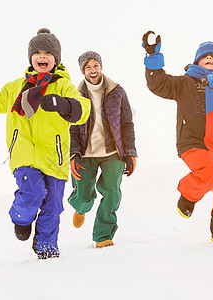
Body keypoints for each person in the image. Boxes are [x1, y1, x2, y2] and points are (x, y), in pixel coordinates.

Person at [0, 28, 90, 259]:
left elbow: (83, 110)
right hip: (24, 153)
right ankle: (22, 218)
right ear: (31, 58)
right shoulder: (17, 87)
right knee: (32, 190)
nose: (42, 56)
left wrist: (63, 105)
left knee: (53, 209)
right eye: (38, 52)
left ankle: (47, 251)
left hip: (55, 157)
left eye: (48, 53)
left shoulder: (63, 86)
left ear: (56, 59)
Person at [142, 31, 213, 244]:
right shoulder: (185, 83)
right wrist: (153, 55)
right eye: (204, 56)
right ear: (197, 61)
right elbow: (159, 84)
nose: (209, 58)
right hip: (193, 143)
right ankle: (188, 194)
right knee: (210, 172)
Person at [68, 51, 137, 248]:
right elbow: (70, 128)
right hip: (85, 153)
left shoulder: (117, 91)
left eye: (95, 65)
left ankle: (103, 236)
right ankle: (81, 207)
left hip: (112, 152)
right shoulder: (74, 94)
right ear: (83, 71)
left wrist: (130, 152)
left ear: (101, 67)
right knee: (83, 195)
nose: (92, 70)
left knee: (112, 193)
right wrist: (73, 154)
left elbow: (127, 123)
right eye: (88, 67)